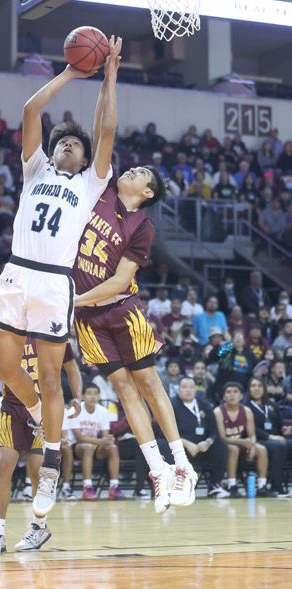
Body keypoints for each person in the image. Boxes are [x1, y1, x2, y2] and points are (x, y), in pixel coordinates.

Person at [0, 37, 120, 518]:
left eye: (74, 145)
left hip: (52, 282)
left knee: (49, 376)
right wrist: (71, 73)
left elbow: (104, 130)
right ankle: (45, 422)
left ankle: (49, 472)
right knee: (8, 371)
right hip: (16, 273)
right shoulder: (35, 169)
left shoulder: (89, 185)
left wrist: (108, 77)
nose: (67, 145)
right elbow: (29, 109)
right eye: (62, 141)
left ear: (85, 161)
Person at [72, 138, 198, 514]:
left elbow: (116, 282)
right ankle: (157, 469)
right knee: (124, 390)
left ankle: (182, 464)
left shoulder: (142, 227)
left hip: (121, 309)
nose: (132, 169)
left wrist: (70, 299)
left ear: (146, 192)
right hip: (89, 319)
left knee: (148, 383)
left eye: (141, 172)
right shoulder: (103, 189)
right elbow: (104, 135)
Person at [0, 329, 82, 555]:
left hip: (45, 411)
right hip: (12, 409)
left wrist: (77, 397)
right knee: (2, 465)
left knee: (37, 470)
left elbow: (71, 368)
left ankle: (38, 527)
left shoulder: (52, 329)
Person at [156, 378, 230, 498]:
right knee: (162, 444)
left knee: (221, 446)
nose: (188, 390)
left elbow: (214, 431)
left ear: (195, 389)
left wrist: (207, 442)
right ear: (178, 389)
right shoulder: (171, 405)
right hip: (179, 447)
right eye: (184, 387)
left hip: (201, 448)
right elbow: (161, 430)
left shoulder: (204, 405)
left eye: (191, 387)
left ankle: (215, 485)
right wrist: (185, 443)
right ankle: (173, 487)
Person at [214, 382, 275, 497]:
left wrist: (252, 445)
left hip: (243, 444)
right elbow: (222, 437)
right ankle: (232, 485)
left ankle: (262, 486)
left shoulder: (246, 411)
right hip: (224, 446)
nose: (232, 395)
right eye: (229, 392)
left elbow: (252, 435)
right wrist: (244, 442)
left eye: (235, 392)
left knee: (261, 449)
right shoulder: (218, 412)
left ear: (241, 396)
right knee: (234, 449)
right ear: (224, 396)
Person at [66, 383, 125, 500]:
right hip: (76, 447)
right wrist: (102, 441)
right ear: (82, 396)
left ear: (99, 396)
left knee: (113, 448)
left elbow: (105, 435)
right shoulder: (76, 410)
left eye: (96, 394)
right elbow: (79, 438)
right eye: (89, 394)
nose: (92, 397)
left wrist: (108, 440)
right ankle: (87, 487)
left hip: (96, 446)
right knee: (87, 447)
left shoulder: (103, 411)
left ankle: (114, 487)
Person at [246, 377, 290, 497]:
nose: (256, 388)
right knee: (278, 446)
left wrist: (285, 430)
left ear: (264, 388)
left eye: (259, 386)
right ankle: (276, 486)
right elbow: (250, 428)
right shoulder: (245, 406)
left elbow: (280, 426)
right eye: (253, 386)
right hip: (258, 440)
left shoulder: (272, 405)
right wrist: (270, 436)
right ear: (249, 389)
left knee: (284, 444)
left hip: (276, 439)